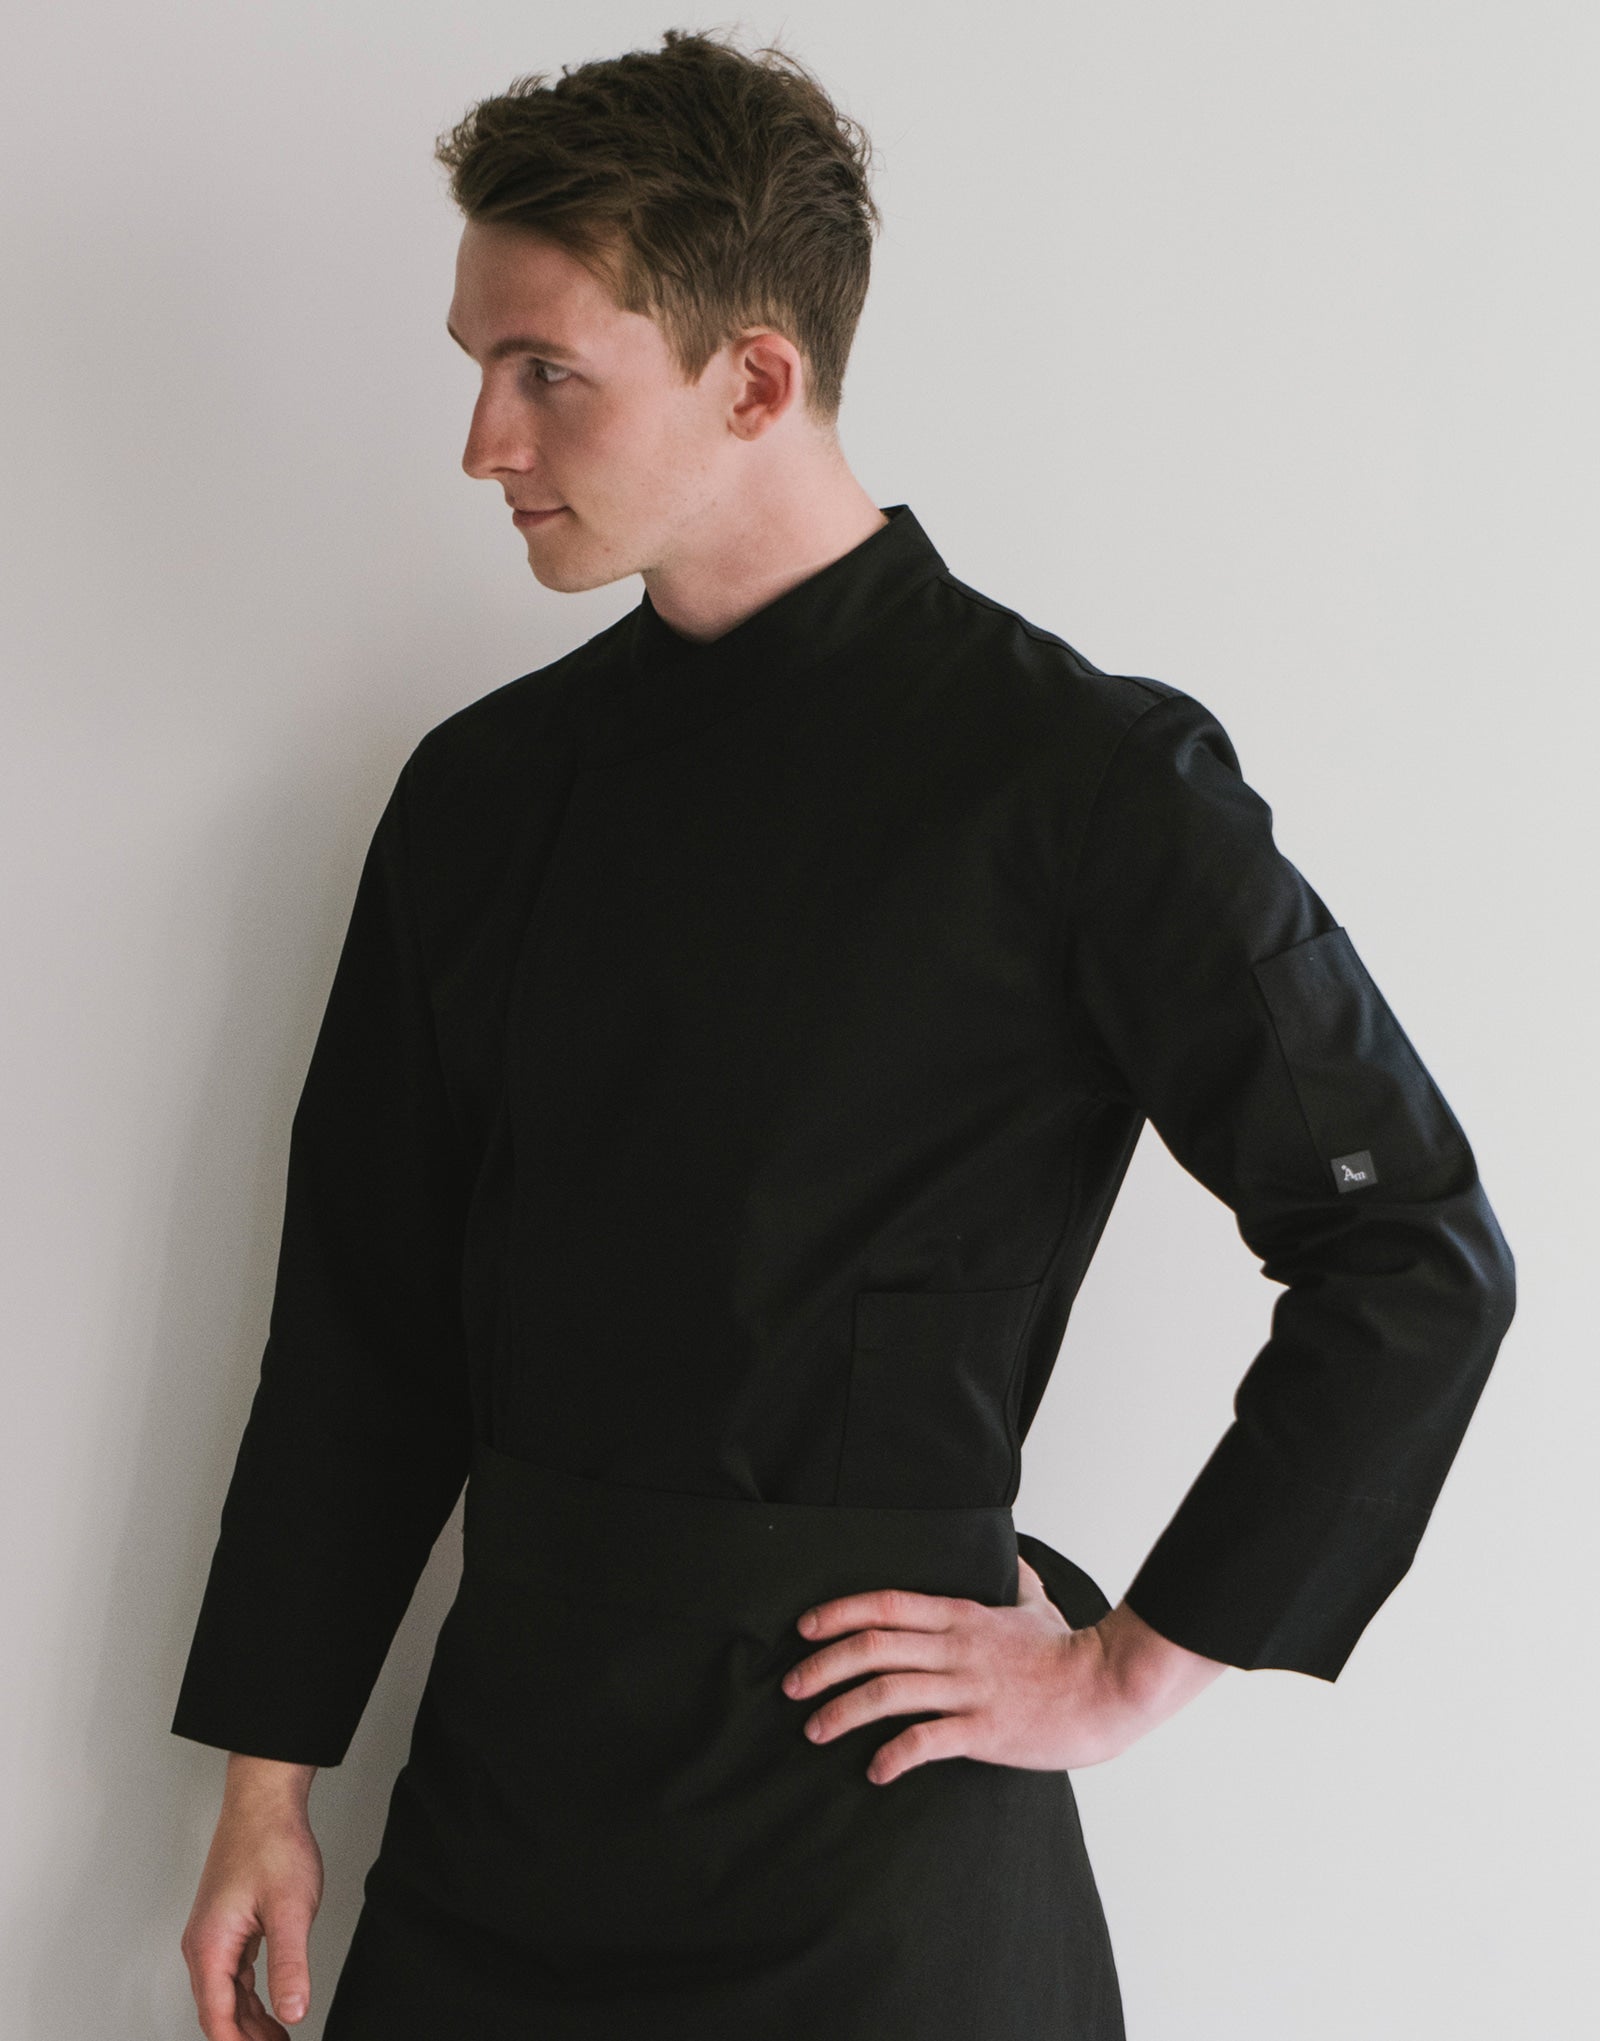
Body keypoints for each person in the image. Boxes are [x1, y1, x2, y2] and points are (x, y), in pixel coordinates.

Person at [171, 28, 1516, 2041]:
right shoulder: (480, 795)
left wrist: (1127, 1667)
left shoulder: (1078, 784)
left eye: (543, 371)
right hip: (503, 1819)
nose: (479, 440)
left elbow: (1409, 1250)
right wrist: (266, 1785)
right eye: (473, 362)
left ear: (753, 378)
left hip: (877, 1854)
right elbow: (364, 1322)